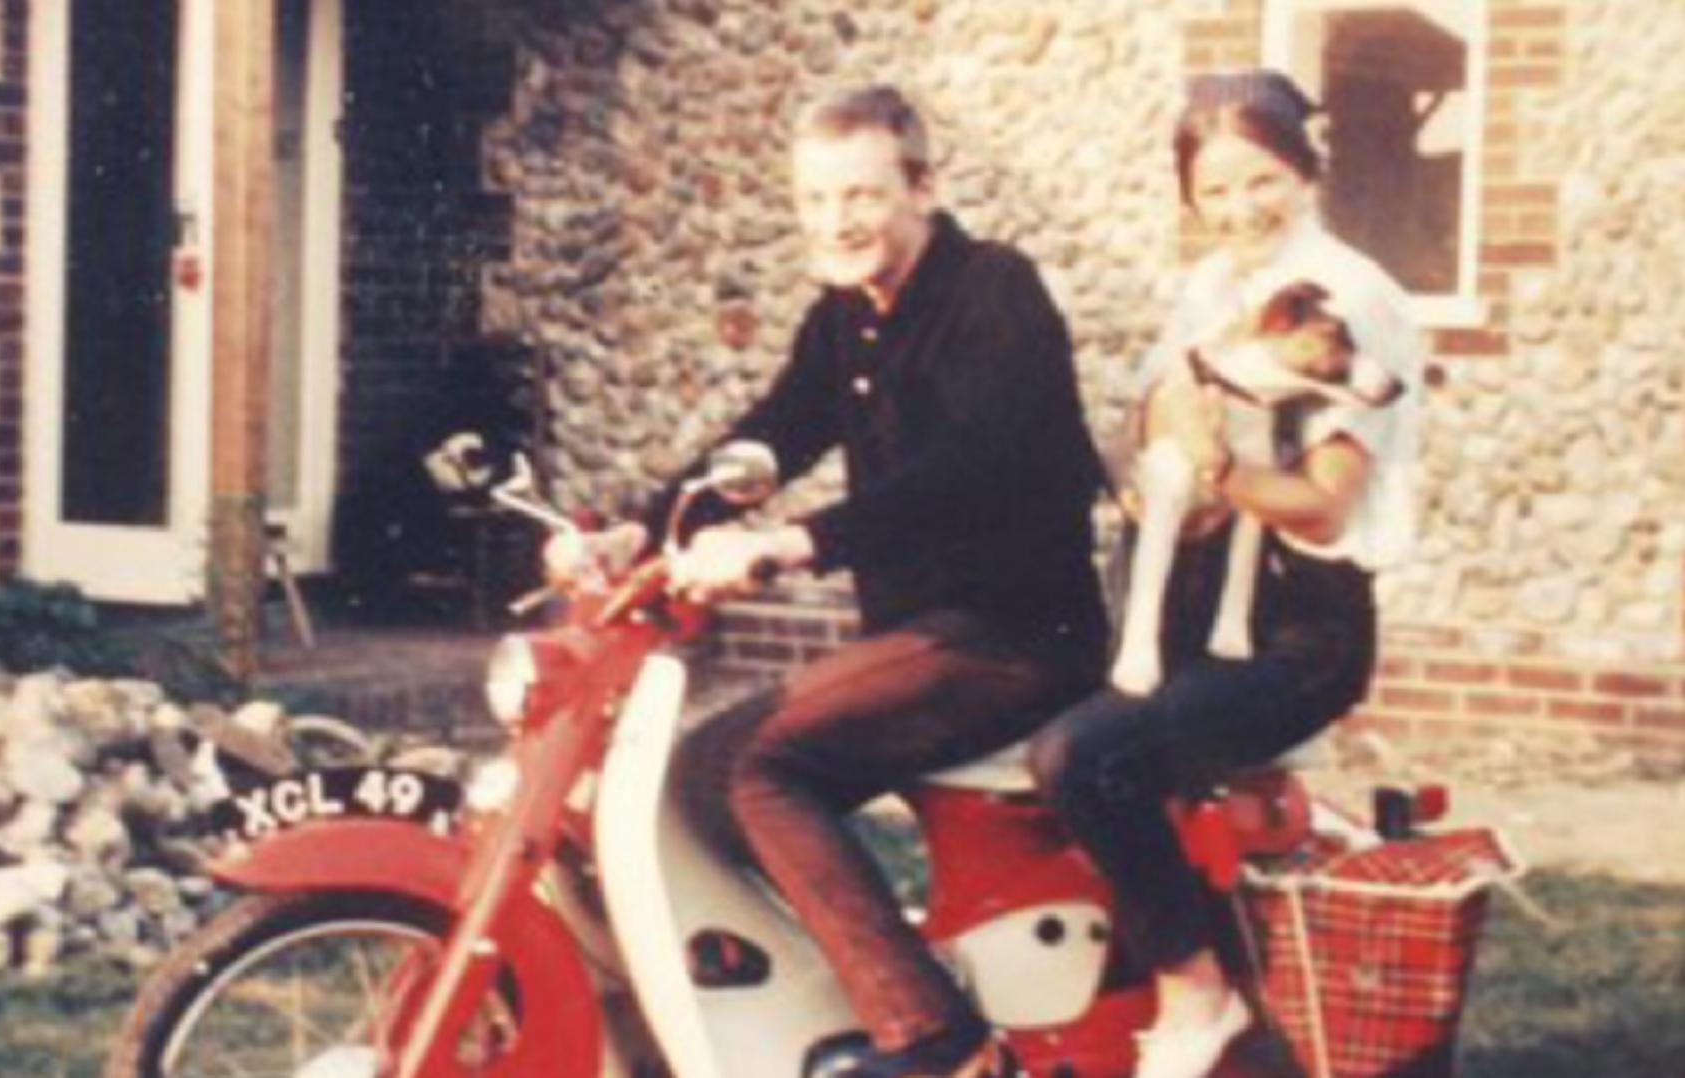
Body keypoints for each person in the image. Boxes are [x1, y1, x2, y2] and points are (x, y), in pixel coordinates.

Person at [556, 85, 1109, 1077]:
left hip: (1014, 635)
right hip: (925, 635)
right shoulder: (845, 316)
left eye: (859, 195)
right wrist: (647, 525)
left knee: (754, 765)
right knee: (697, 776)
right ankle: (829, 1009)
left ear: (922, 189)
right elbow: (772, 434)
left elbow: (972, 469)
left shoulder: (994, 290)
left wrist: (793, 543)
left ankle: (937, 1040)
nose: (836, 221)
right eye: (815, 201)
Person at [1026, 70, 1425, 1078]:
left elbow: (1322, 498)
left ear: (1306, 170)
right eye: (1216, 191)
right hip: (1204, 595)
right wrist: (1173, 438)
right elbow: (1158, 411)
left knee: (1082, 758)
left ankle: (1194, 992)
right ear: (1190, 200)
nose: (1242, 208)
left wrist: (1213, 465)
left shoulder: (1353, 296)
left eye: (1264, 180)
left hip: (1304, 629)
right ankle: (1081, 1012)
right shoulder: (1210, 289)